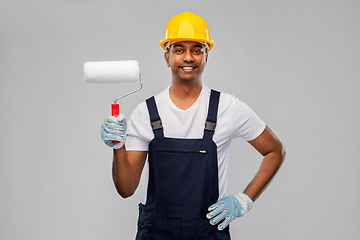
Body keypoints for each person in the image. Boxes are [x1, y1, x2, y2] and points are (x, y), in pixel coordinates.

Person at [101, 11, 285, 240]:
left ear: (206, 56)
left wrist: (244, 201)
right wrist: (118, 147)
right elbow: (126, 189)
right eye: (179, 49)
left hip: (207, 234)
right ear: (166, 57)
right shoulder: (145, 113)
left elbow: (275, 150)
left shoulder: (227, 108)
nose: (188, 57)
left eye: (197, 49)